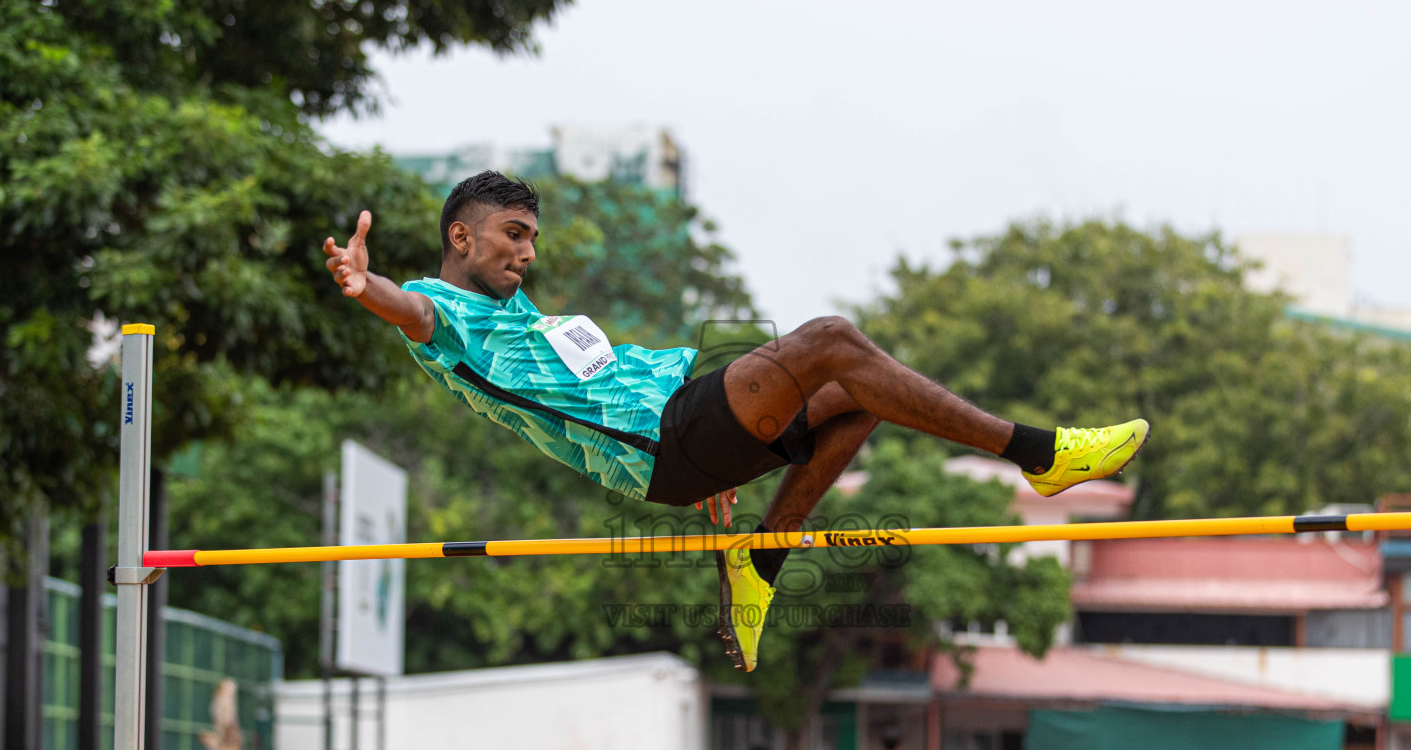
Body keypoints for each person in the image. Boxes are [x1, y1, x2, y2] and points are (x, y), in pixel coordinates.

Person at [323, 174, 1148, 673]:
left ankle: (765, 554)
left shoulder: (511, 304)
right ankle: (1040, 456)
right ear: (459, 237)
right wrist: (370, 288)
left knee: (863, 388)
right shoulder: (442, 312)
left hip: (684, 404)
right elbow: (408, 310)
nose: (527, 252)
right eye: (512, 236)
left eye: (532, 237)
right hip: (667, 442)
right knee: (831, 341)